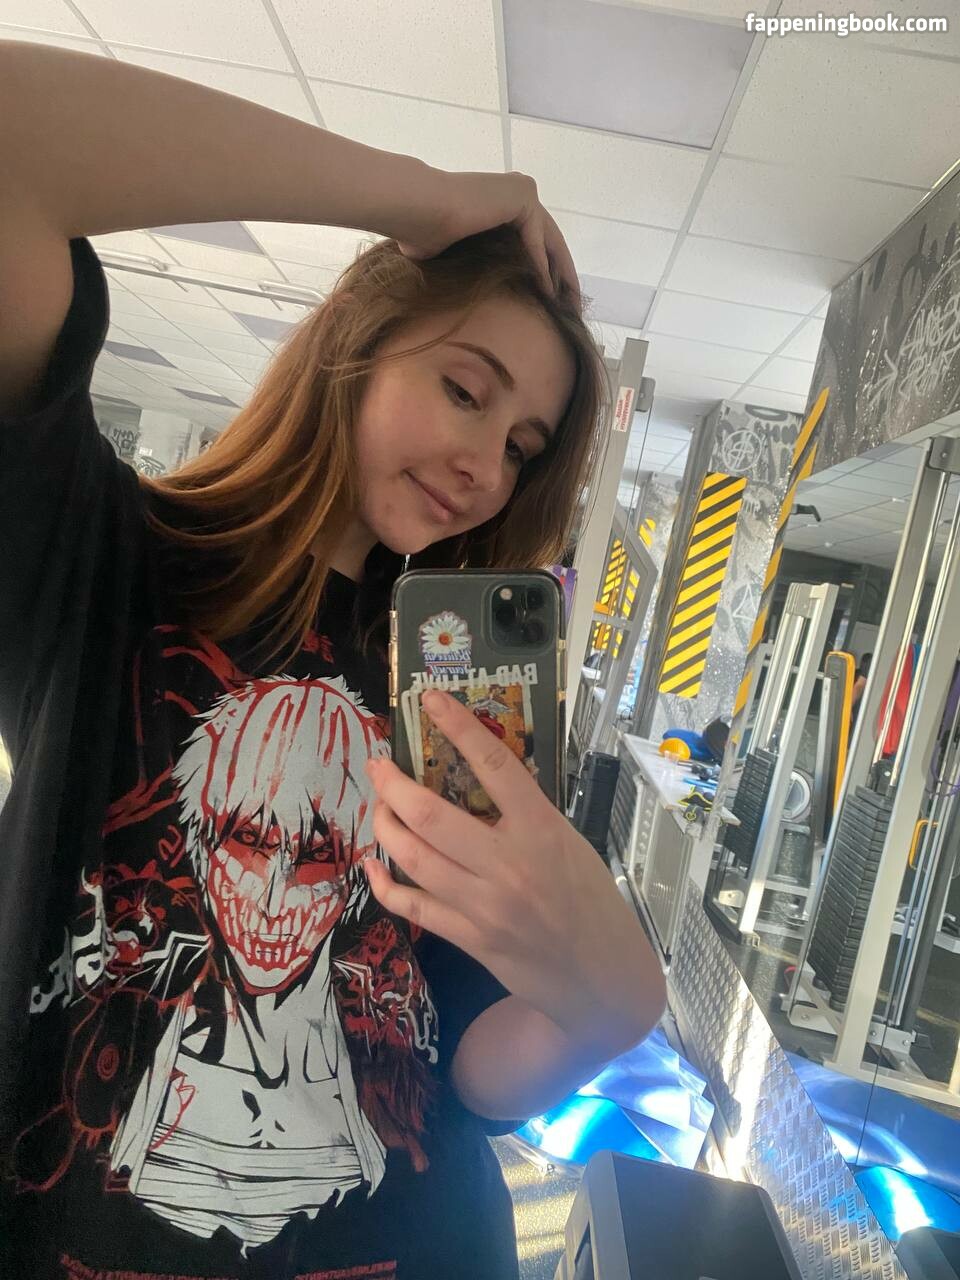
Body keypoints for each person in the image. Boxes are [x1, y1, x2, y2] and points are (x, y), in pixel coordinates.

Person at [0, 39, 666, 1280]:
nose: (487, 466)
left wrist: (605, 1006)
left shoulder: (455, 684)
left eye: (522, 446)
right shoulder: (106, 560)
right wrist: (419, 199)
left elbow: (469, 1066)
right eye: (465, 389)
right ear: (361, 336)